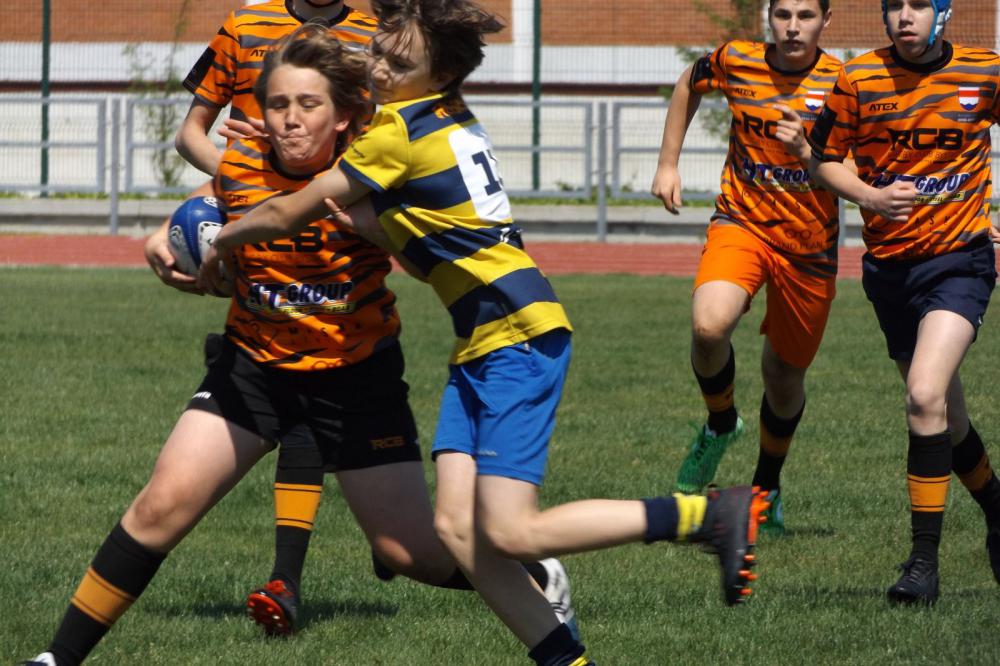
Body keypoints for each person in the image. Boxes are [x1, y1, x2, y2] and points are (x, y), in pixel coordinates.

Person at [199, 2, 770, 663]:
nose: (379, 67)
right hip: (484, 340)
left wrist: (222, 240)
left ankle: (708, 515)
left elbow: (286, 213)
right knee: (456, 531)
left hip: (517, 336)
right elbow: (423, 246)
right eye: (379, 51)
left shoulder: (397, 133)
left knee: (512, 531)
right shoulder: (443, 117)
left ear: (440, 74)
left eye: (399, 62)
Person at [21, 26, 573, 666]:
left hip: (355, 373)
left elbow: (428, 256)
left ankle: (535, 576)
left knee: (408, 553)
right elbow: (219, 200)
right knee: (160, 507)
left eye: (308, 104)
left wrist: (379, 232)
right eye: (277, 104)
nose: (289, 118)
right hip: (253, 364)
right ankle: (56, 659)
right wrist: (170, 235)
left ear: (341, 117)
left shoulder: (374, 169)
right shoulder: (241, 163)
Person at [143, 0, 380, 633]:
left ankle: (299, 575)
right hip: (252, 221)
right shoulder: (245, 25)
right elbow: (192, 133)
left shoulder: (374, 34)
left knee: (307, 379)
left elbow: (385, 144)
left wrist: (301, 197)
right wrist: (243, 189)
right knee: (276, 372)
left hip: (332, 234)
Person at [807, 0, 1000, 604]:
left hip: (960, 261)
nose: (905, 17)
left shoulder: (985, 71)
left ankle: (922, 565)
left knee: (921, 395)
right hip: (889, 269)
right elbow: (819, 160)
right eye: (895, 6)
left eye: (919, 5)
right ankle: (998, 511)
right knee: (945, 415)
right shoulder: (859, 77)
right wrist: (870, 196)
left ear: (944, 12)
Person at [650, 0, 840, 535]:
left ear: (827, 21)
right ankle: (720, 422)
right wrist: (667, 163)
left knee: (783, 375)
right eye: (783, 14)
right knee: (709, 326)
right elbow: (689, 82)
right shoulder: (737, 59)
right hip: (743, 221)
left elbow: (863, 161)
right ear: (768, 17)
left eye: (806, 15)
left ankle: (765, 490)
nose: (793, 26)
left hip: (809, 247)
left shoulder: (844, 83)